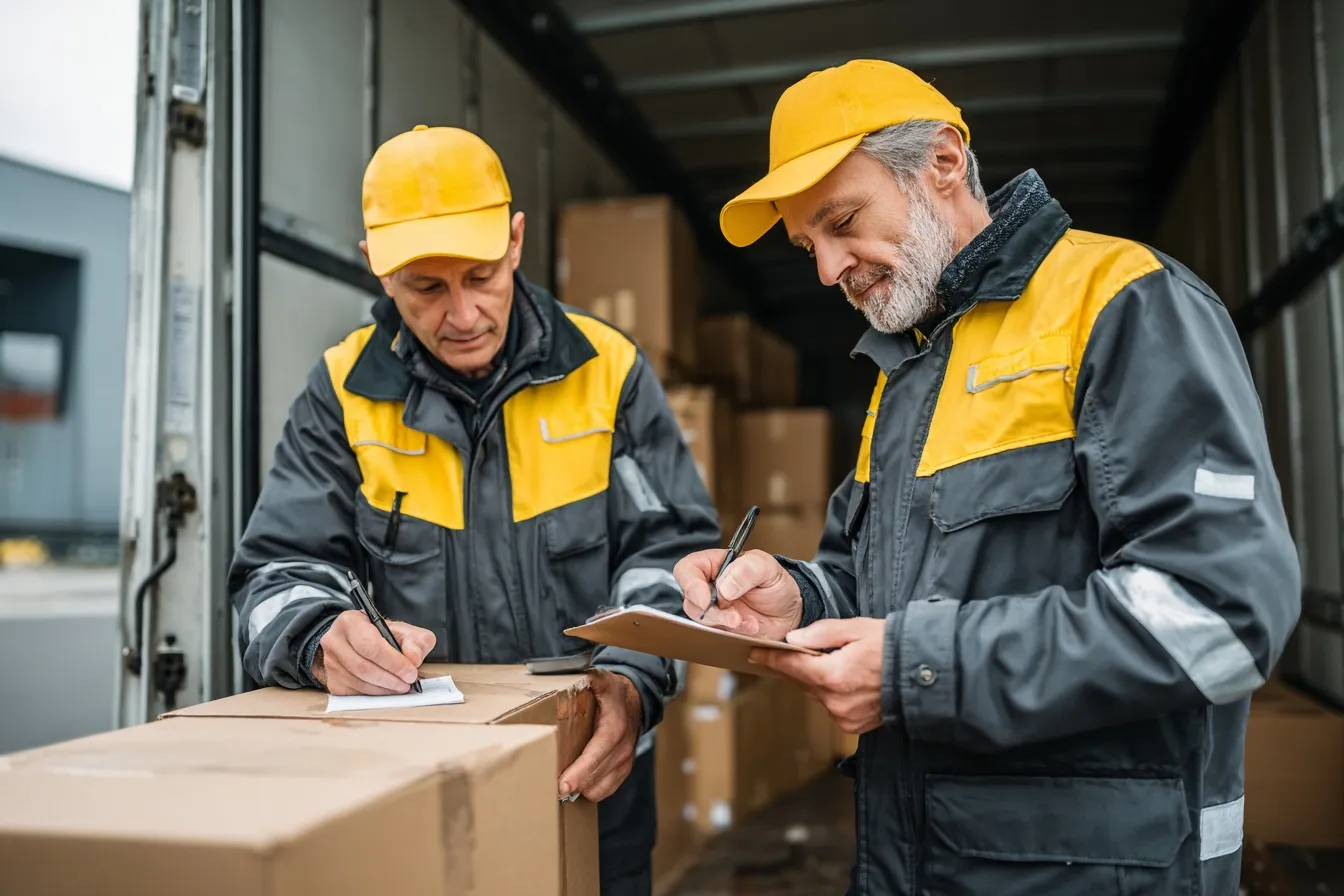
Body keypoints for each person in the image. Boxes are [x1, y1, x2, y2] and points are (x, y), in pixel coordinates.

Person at [674, 59, 1300, 895]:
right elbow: (880, 590)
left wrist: (915, 671)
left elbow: (1222, 615)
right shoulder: (906, 371)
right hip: (921, 865)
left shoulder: (1125, 305)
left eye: (843, 221)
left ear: (943, 160)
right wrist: (796, 597)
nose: (828, 271)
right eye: (807, 246)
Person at [230, 124, 720, 895]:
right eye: (426, 287)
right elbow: (278, 574)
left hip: (591, 770)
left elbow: (671, 556)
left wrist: (631, 683)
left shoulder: (610, 371)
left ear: (517, 240)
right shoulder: (341, 394)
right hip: (409, 787)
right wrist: (320, 637)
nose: (463, 315)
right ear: (377, 268)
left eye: (482, 275)